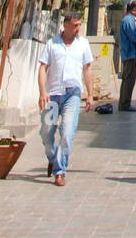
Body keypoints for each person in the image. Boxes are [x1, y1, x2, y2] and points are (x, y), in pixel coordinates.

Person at [38, 11, 94, 187]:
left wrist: (90, 95)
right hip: (52, 95)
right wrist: (42, 92)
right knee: (46, 132)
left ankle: (60, 171)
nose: (78, 28)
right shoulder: (52, 44)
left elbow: (87, 69)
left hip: (72, 94)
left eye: (79, 25)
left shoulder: (83, 44)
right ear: (66, 25)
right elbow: (42, 68)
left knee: (67, 133)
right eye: (75, 25)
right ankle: (53, 157)